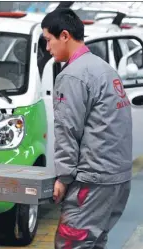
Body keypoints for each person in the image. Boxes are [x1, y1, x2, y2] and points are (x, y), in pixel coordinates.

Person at [41, 8, 133, 249]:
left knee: (72, 243)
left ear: (64, 35)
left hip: (93, 181)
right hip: (118, 179)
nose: (48, 49)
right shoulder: (104, 69)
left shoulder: (72, 75)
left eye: (48, 40)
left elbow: (67, 130)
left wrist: (63, 176)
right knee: (94, 242)